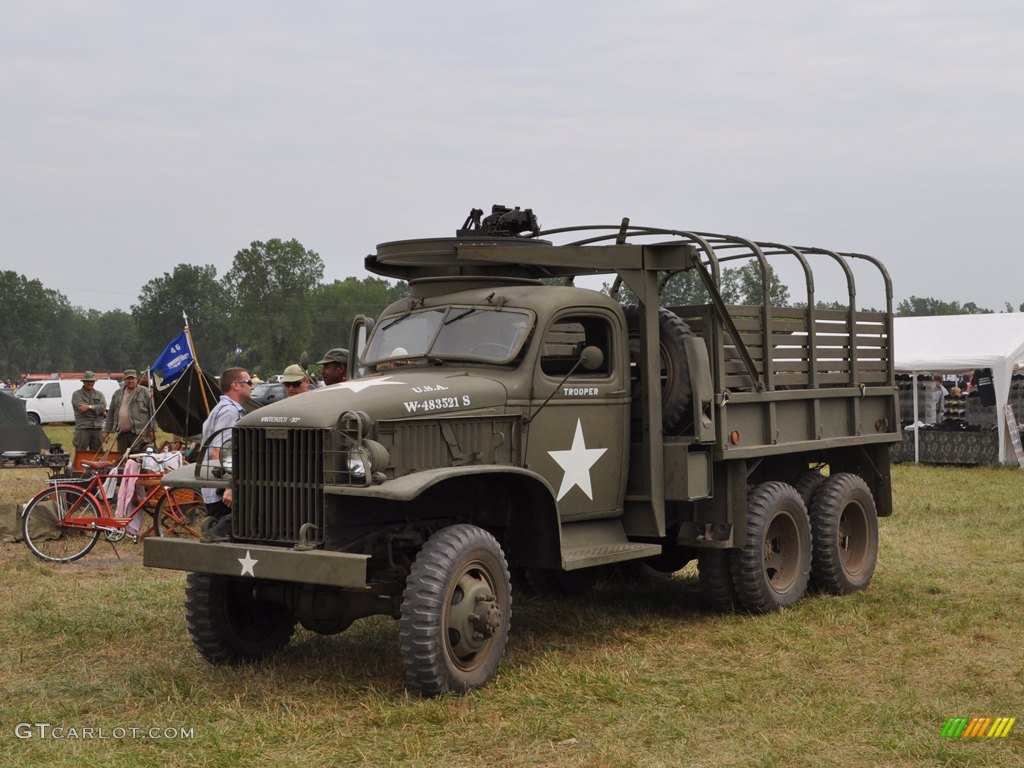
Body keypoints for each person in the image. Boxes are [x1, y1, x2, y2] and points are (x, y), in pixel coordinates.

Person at [199, 367, 254, 539]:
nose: (252, 386)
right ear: (236, 385)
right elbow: (218, 451)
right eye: (249, 382)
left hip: (217, 488)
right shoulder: (230, 412)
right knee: (226, 540)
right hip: (222, 492)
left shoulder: (221, 408)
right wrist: (229, 487)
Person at [103, 369, 155, 453]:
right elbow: (111, 413)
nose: (130, 381)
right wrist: (106, 431)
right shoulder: (117, 394)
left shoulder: (144, 392)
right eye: (128, 379)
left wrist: (153, 430)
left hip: (139, 433)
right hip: (121, 434)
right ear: (124, 380)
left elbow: (152, 412)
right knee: (122, 459)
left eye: (132, 378)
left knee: (137, 458)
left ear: (136, 379)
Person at [71, 371, 107, 453]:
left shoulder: (99, 394)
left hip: (97, 428)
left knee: (98, 454)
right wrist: (98, 410)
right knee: (80, 454)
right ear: (83, 382)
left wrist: (88, 407)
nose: (90, 383)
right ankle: (77, 466)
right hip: (83, 428)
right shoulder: (77, 394)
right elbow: (81, 409)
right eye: (87, 381)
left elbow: (103, 407)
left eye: (92, 381)